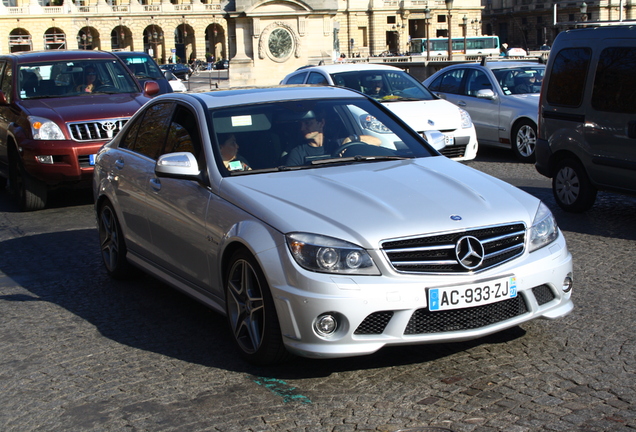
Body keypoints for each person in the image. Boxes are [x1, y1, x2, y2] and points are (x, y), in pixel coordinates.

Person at [285, 110, 381, 166]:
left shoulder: (339, 144)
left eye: (308, 123)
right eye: (300, 124)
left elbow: (377, 141)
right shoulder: (298, 152)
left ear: (321, 123)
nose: (302, 128)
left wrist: (351, 139)